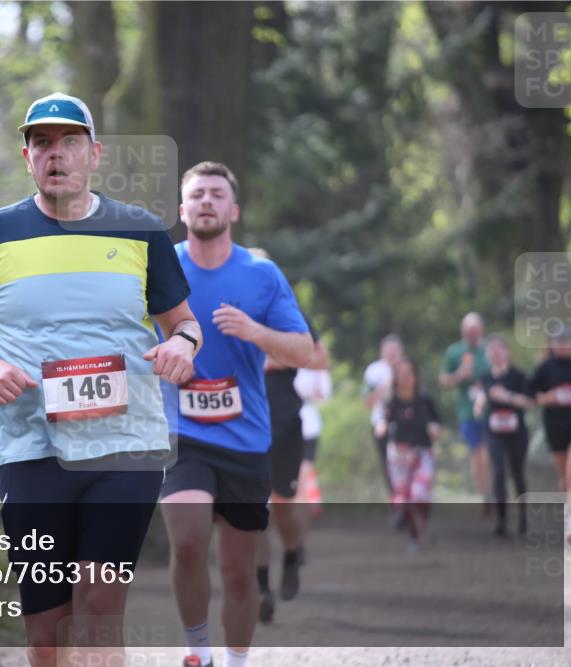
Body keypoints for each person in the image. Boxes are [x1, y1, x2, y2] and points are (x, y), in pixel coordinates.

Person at [0, 92, 202, 667]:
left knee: (99, 614)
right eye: (42, 143)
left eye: (69, 142)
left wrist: (181, 346)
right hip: (31, 448)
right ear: (27, 156)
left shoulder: (140, 231)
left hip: (125, 447)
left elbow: (183, 324)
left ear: (94, 153)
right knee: (47, 630)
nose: (55, 154)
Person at [157, 162, 313, 667]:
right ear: (182, 210)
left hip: (245, 440)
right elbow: (127, 338)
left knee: (241, 571)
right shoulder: (160, 270)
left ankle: (237, 659)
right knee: (188, 542)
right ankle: (197, 652)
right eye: (197, 194)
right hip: (181, 434)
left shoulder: (261, 275)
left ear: (233, 209)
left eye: (216, 194)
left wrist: (255, 331)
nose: (206, 201)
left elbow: (304, 351)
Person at [256, 314, 328, 625]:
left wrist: (276, 356)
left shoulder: (288, 314)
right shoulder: (224, 312)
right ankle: (261, 590)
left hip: (285, 424)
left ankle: (291, 552)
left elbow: (321, 359)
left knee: (283, 508)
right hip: (242, 424)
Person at [377, 358, 442, 551]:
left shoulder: (424, 399)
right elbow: (383, 420)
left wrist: (435, 429)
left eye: (409, 374)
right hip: (398, 454)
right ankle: (412, 532)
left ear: (415, 377)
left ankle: (420, 529)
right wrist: (381, 427)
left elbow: (437, 422)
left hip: (422, 453)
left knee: (419, 494)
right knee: (404, 498)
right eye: (401, 374)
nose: (406, 378)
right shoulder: (391, 401)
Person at [528, 325, 571, 544]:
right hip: (555, 428)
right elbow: (530, 392)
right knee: (565, 480)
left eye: (567, 340)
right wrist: (545, 398)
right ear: (552, 344)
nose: (563, 344)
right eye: (559, 341)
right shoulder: (545, 368)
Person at [474, 335, 533, 536]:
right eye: (491, 351)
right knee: (498, 471)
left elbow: (529, 402)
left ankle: (523, 515)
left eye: (498, 350)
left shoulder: (518, 376)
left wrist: (507, 396)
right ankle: (501, 519)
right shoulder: (485, 376)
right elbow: (482, 395)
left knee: (517, 473)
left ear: (506, 352)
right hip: (494, 432)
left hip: (517, 432)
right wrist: (480, 403)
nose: (495, 354)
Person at [439, 312, 491, 513]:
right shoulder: (454, 352)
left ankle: (493, 491)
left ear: (482, 330)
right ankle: (485, 493)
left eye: (475, 330)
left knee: (489, 454)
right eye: (468, 331)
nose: (472, 334)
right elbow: (443, 380)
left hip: (491, 411)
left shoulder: (489, 349)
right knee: (477, 455)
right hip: (467, 412)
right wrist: (459, 375)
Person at [363, 335, 404, 497]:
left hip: (405, 422)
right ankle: (395, 499)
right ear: (382, 351)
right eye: (389, 350)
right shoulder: (374, 370)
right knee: (387, 462)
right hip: (380, 422)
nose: (392, 354)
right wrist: (384, 387)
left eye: (396, 350)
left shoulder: (406, 368)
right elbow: (367, 402)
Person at [294, 364, 333, 523]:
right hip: (281, 424)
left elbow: (324, 395)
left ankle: (302, 512)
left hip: (308, 425)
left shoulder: (317, 369)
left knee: (304, 469)